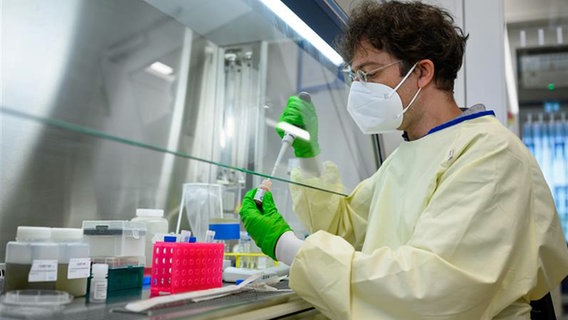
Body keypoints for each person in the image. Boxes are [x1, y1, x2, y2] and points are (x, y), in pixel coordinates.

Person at [239, 1, 568, 319]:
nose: (359, 89)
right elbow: (344, 230)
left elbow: (432, 290)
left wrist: (285, 245)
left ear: (422, 72)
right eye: (355, 77)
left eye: (368, 74)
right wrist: (307, 155)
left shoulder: (491, 154)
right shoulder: (407, 155)